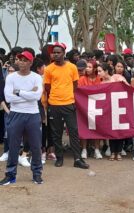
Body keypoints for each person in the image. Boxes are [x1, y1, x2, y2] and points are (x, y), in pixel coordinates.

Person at [0, 51, 43, 185]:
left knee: (36, 146)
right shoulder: (11, 77)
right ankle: (10, 175)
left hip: (33, 114)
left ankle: (37, 173)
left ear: (30, 62)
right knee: (13, 145)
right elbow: (8, 97)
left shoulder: (36, 77)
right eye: (20, 60)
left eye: (25, 60)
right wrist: (28, 93)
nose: (22, 62)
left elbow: (36, 97)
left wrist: (18, 92)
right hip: (15, 113)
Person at [44, 42, 89, 169]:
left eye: (58, 52)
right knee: (56, 133)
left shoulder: (72, 67)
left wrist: (67, 94)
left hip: (69, 104)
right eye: (54, 52)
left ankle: (78, 159)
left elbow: (75, 84)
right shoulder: (49, 69)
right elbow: (47, 87)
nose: (56, 54)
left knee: (74, 132)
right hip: (54, 105)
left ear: (64, 53)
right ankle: (59, 158)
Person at [78, 60, 102, 160]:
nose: (87, 69)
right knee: (84, 127)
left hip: (97, 106)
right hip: (84, 107)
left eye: (89, 67)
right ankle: (84, 149)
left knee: (97, 127)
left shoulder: (99, 78)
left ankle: (97, 149)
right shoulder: (82, 79)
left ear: (95, 69)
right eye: (86, 67)